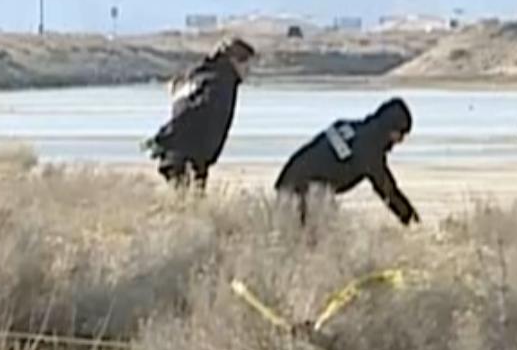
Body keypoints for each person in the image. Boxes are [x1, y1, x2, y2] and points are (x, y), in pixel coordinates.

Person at [272, 97, 420, 226]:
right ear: (390, 128)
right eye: (400, 134)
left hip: (289, 177)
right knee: (317, 243)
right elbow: (387, 190)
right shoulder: (369, 149)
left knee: (298, 239)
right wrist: (412, 221)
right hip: (309, 188)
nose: (400, 141)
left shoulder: (350, 127)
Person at [143, 37, 255, 188]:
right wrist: (163, 137)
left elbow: (184, 105)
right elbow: (189, 112)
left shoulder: (210, 77)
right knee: (187, 203)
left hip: (189, 156)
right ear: (233, 60)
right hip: (186, 157)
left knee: (189, 203)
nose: (248, 70)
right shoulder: (219, 83)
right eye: (246, 63)